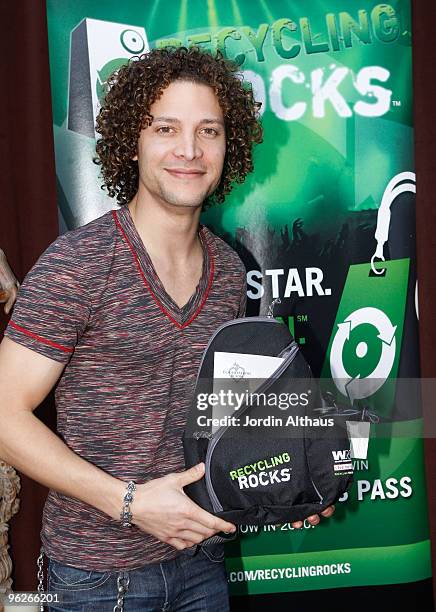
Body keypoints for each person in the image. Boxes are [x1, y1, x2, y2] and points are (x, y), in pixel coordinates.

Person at [0, 47, 334, 611]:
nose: (189, 150)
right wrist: (129, 503)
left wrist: (290, 478)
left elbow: (221, 419)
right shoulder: (79, 264)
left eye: (209, 131)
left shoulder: (229, 269)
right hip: (98, 581)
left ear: (231, 147)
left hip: (202, 559)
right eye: (166, 129)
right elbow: (4, 413)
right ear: (133, 141)